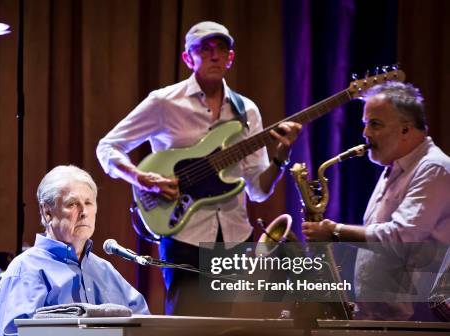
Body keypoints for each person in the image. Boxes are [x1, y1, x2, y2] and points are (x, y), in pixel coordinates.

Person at [96, 21, 301, 315]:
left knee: (226, 335)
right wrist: (141, 179)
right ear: (187, 58)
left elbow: (257, 190)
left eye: (221, 49)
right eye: (204, 49)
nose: (214, 55)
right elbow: (108, 146)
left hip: (234, 236)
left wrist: (281, 158)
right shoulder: (164, 102)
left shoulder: (247, 111)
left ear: (231, 58)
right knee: (186, 333)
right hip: (183, 233)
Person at [302, 81, 450, 320]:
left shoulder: (433, 168)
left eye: (375, 124)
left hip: (414, 326)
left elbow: (402, 237)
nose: (365, 133)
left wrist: (336, 232)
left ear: (405, 129)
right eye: (365, 123)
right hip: (382, 320)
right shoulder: (394, 168)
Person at [0, 165, 149, 336]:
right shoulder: (26, 269)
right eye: (73, 204)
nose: (84, 212)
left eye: (89, 203)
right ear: (47, 211)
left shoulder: (104, 270)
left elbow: (146, 328)